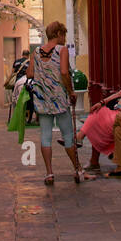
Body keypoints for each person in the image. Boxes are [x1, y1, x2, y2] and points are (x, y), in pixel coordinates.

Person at [27, 21, 81, 185]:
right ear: (58, 34)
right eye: (63, 34)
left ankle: (49, 173)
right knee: (68, 135)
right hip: (59, 99)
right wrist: (70, 90)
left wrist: (43, 77)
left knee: (45, 137)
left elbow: (29, 73)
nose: (64, 38)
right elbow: (64, 72)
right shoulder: (61, 50)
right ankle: (77, 169)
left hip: (42, 100)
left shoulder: (36, 51)